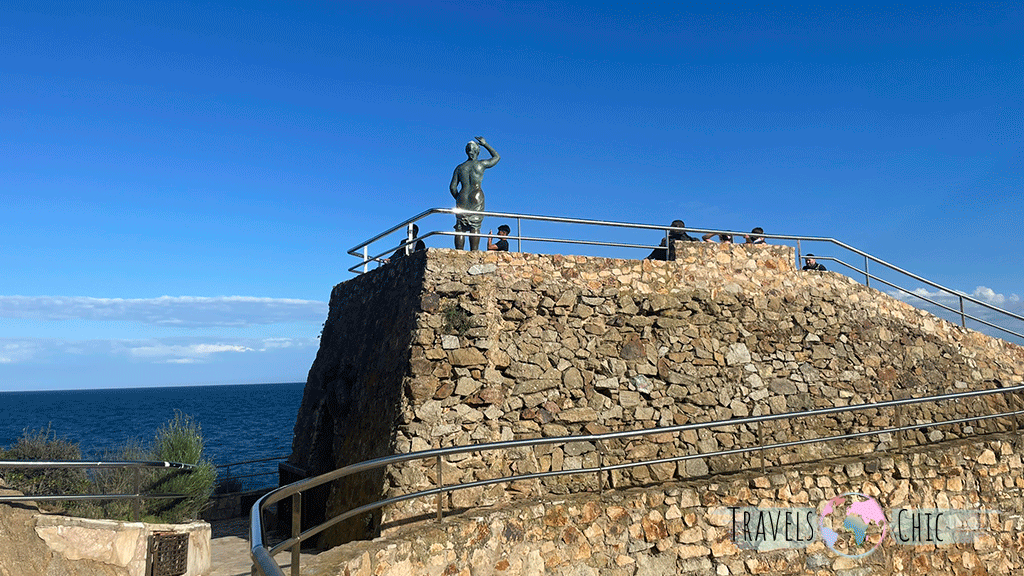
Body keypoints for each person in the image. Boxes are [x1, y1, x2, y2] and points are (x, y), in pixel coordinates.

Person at [450, 136, 499, 251]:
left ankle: (459, 251)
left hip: (463, 195)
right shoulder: (480, 164)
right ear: (477, 151)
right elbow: (497, 157)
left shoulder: (460, 168)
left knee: (460, 227)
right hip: (476, 195)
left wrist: (459, 198)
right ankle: (474, 251)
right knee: (474, 225)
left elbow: (452, 187)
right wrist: (485, 144)